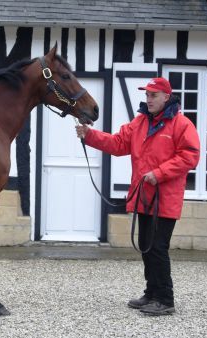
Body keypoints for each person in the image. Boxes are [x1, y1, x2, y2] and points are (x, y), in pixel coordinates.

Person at [76, 77, 200, 316]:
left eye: (153, 95)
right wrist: (89, 135)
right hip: (144, 196)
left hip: (165, 198)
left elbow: (190, 156)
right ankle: (152, 293)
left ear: (166, 96)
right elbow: (117, 143)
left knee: (158, 248)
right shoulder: (140, 122)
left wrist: (160, 173)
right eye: (147, 95)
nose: (149, 99)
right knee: (146, 245)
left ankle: (165, 299)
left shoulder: (182, 124)